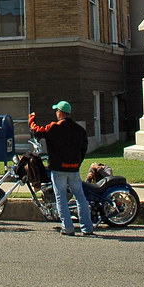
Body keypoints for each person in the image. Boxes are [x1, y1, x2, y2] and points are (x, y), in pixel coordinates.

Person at [28, 101, 94, 236]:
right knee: (80, 197)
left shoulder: (54, 127)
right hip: (74, 169)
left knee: (61, 198)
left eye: (56, 110)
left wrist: (31, 119)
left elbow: (37, 131)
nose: (56, 113)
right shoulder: (79, 130)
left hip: (58, 169)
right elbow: (84, 149)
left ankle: (68, 228)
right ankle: (87, 228)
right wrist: (77, 163)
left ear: (60, 112)